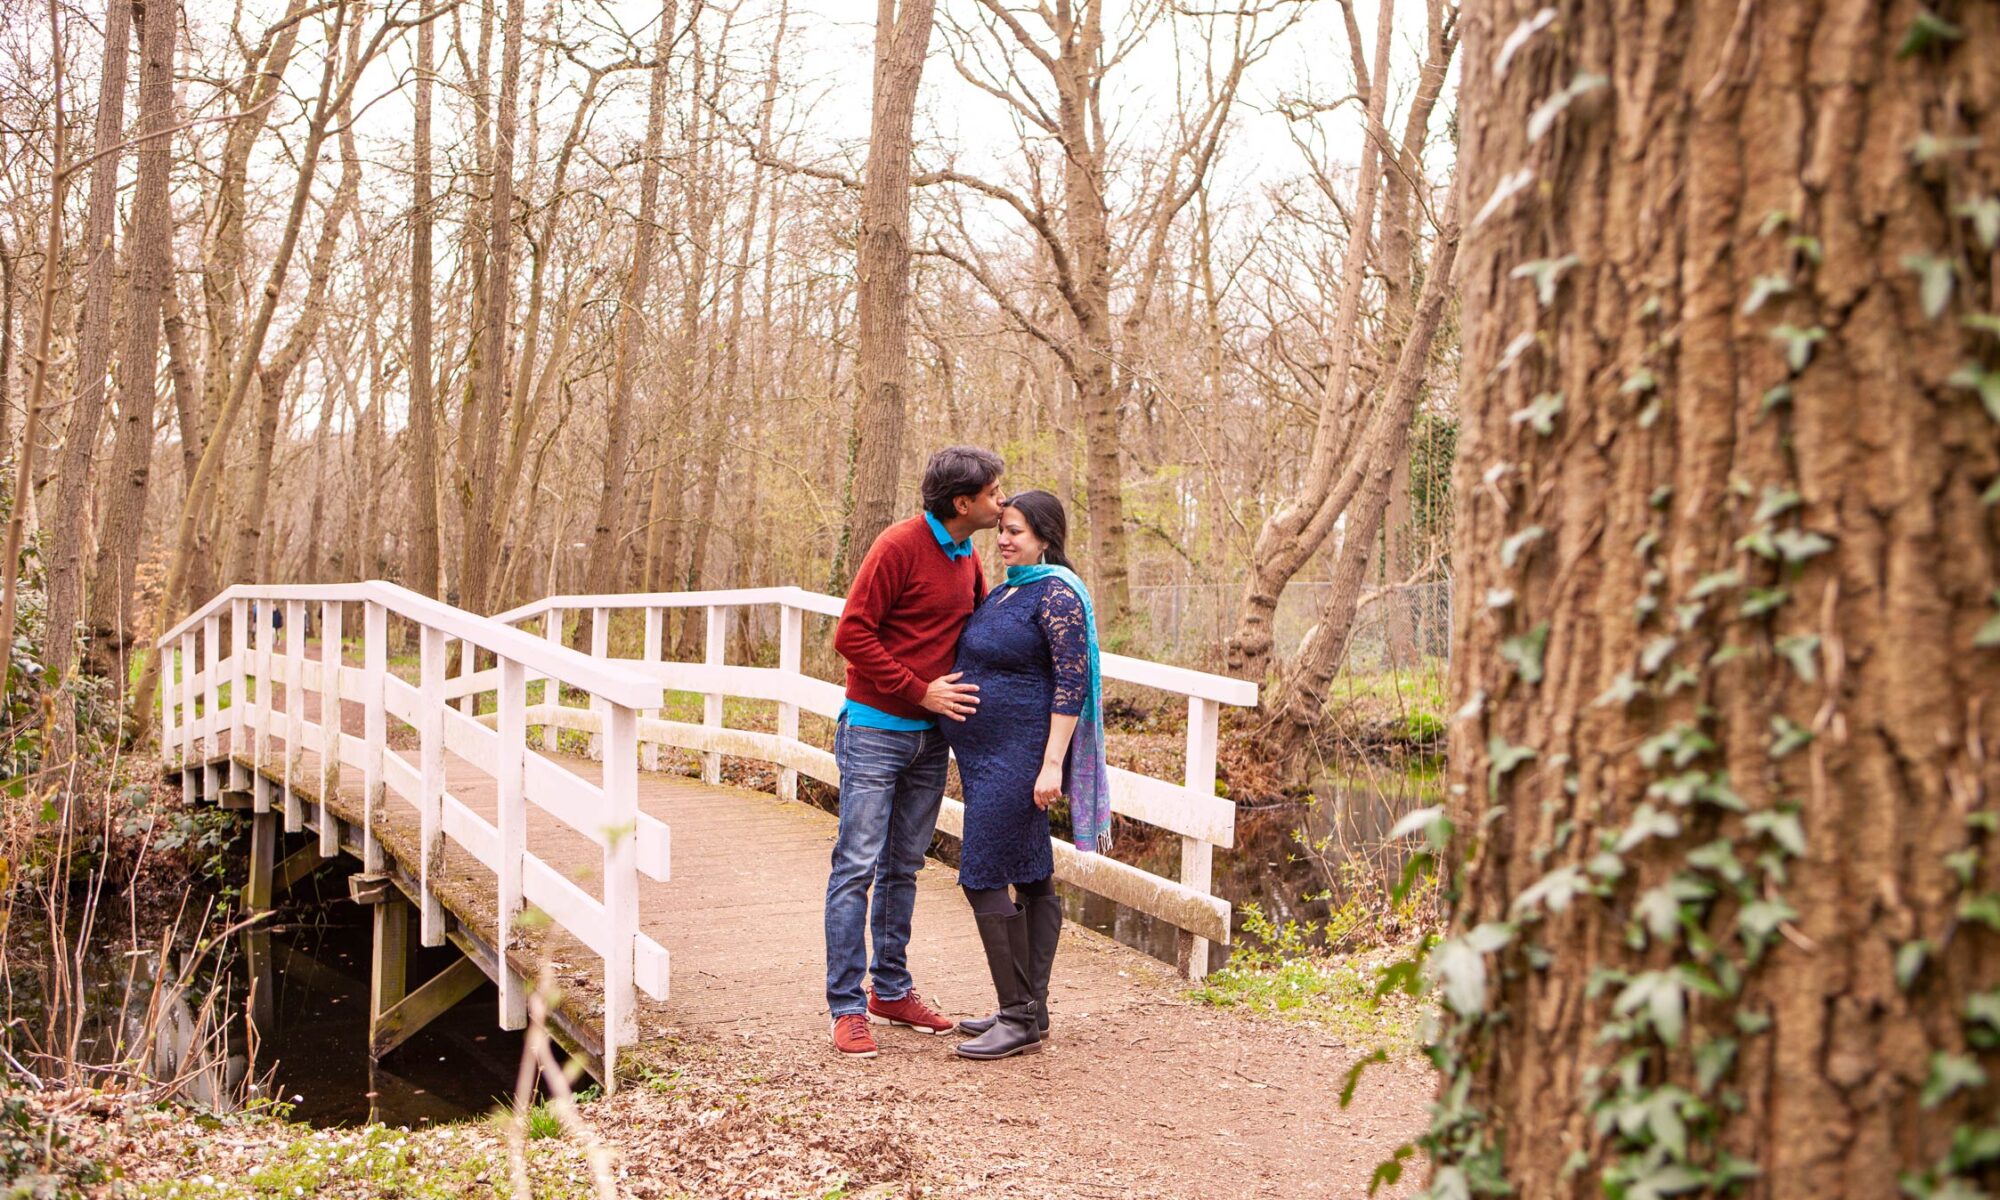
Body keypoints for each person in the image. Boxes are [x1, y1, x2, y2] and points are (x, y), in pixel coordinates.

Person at [823, 446, 1007, 1059]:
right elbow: (849, 633)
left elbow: (977, 631)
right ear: (964, 502)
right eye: (993, 494)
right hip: (875, 730)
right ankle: (847, 1008)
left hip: (932, 740)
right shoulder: (898, 545)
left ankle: (891, 990)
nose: (1000, 502)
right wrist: (918, 689)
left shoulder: (967, 557)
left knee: (904, 868)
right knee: (856, 866)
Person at [939, 490, 1110, 1061]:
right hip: (986, 758)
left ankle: (1014, 1015)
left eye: (1015, 531)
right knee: (1033, 877)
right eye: (1002, 530)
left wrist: (1051, 764)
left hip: (1021, 758)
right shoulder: (1012, 587)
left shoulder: (1058, 594)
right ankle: (1030, 1010)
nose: (1004, 539)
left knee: (982, 875)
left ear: (1044, 536)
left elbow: (1070, 682)